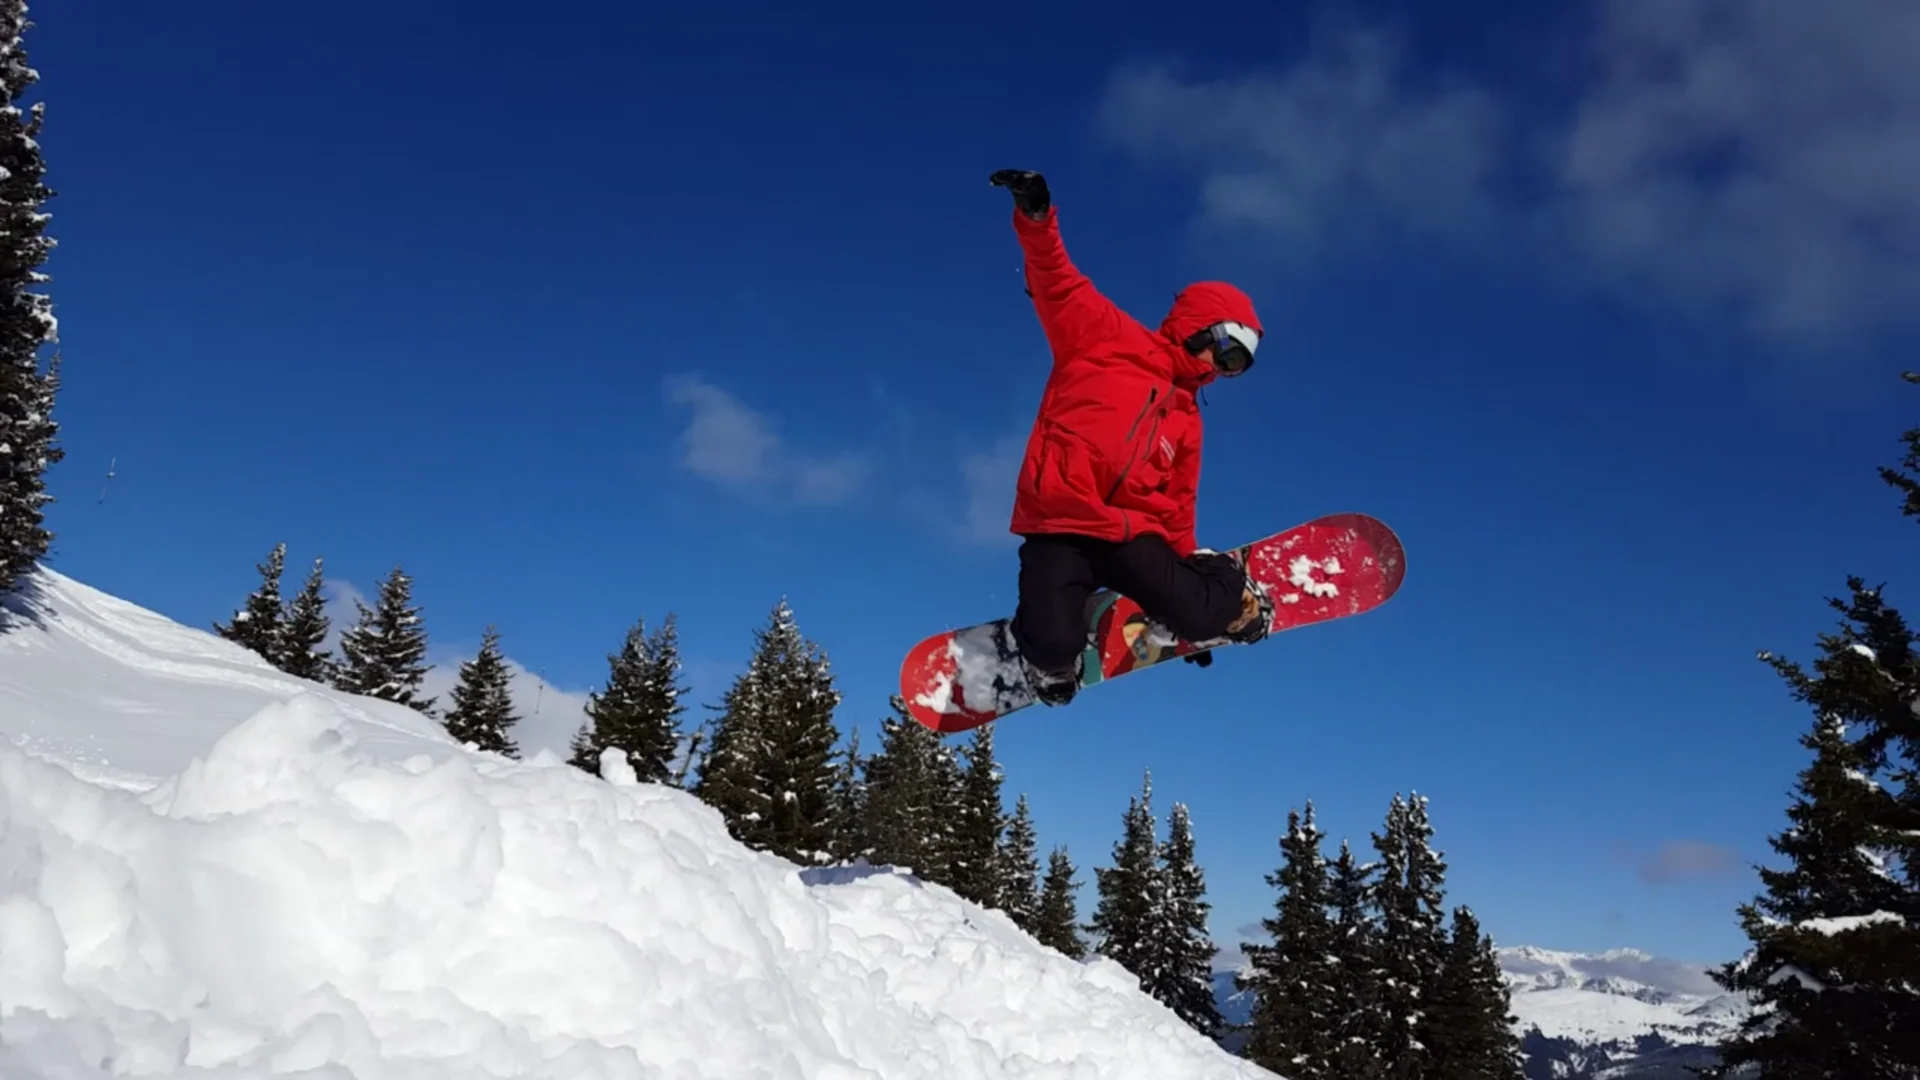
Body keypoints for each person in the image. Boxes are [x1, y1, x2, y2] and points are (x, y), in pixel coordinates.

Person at [989, 168, 1274, 707]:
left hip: (1130, 538)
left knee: (1199, 610)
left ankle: (1229, 592)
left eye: (1240, 365)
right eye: (1229, 351)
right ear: (1201, 325)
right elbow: (1055, 279)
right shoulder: (1102, 336)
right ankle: (1049, 652)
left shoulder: (1187, 416)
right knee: (1051, 645)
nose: (1225, 370)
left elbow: (1179, 504)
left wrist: (1189, 608)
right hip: (1060, 525)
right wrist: (1036, 217)